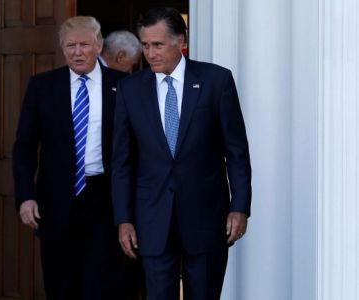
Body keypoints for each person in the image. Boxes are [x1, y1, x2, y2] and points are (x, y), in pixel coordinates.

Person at [111, 7, 252, 300]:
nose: (150, 53)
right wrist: (123, 218)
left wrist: (240, 207)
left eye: (158, 45)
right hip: (151, 220)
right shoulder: (130, 90)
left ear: (180, 41)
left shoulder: (216, 81)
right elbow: (122, 161)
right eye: (146, 45)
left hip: (206, 218)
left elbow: (236, 151)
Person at [13, 16, 127, 300]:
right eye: (70, 45)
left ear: (99, 46)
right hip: (55, 201)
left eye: (84, 44)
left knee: (100, 285)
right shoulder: (42, 86)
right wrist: (26, 196)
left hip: (105, 199)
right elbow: (25, 146)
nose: (77, 52)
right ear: (63, 49)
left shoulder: (124, 85)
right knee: (60, 285)